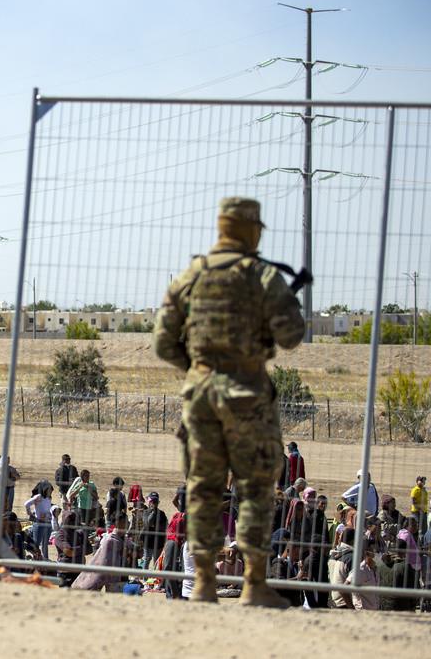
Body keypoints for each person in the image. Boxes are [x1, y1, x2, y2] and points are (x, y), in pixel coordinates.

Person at [153, 196, 305, 607]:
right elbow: (292, 334)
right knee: (255, 487)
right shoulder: (261, 275)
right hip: (247, 395)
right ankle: (254, 585)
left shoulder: (192, 274)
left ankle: (202, 582)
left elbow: (163, 342)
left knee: (203, 487)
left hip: (200, 398)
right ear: (251, 230)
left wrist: (198, 369)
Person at [71, 514, 131, 592]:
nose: (127, 524)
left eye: (127, 521)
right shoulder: (109, 540)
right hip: (111, 574)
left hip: (122, 573)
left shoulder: (125, 539)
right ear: (116, 524)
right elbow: (103, 559)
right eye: (124, 522)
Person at [24, 480, 55, 559]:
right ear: (44, 489)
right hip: (39, 523)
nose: (51, 491)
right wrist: (29, 513)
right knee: (36, 544)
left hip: (48, 523)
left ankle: (46, 560)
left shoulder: (49, 498)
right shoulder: (39, 497)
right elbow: (26, 504)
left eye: (51, 490)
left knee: (45, 544)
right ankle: (35, 560)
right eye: (49, 490)